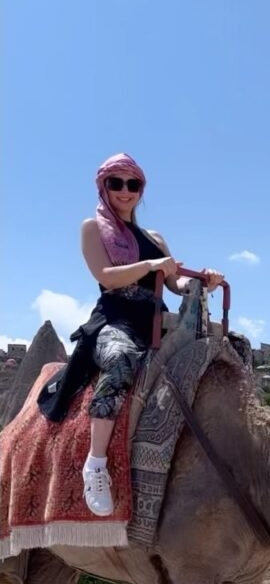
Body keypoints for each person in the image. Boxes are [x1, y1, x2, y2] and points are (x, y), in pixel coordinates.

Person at [78, 152, 224, 517]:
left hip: (157, 322)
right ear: (104, 187)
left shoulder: (155, 238)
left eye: (134, 184)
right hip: (117, 320)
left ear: (141, 189)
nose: (125, 191)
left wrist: (204, 279)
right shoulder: (92, 228)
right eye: (117, 183)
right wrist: (151, 265)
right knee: (121, 360)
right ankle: (95, 464)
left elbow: (175, 283)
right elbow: (106, 277)